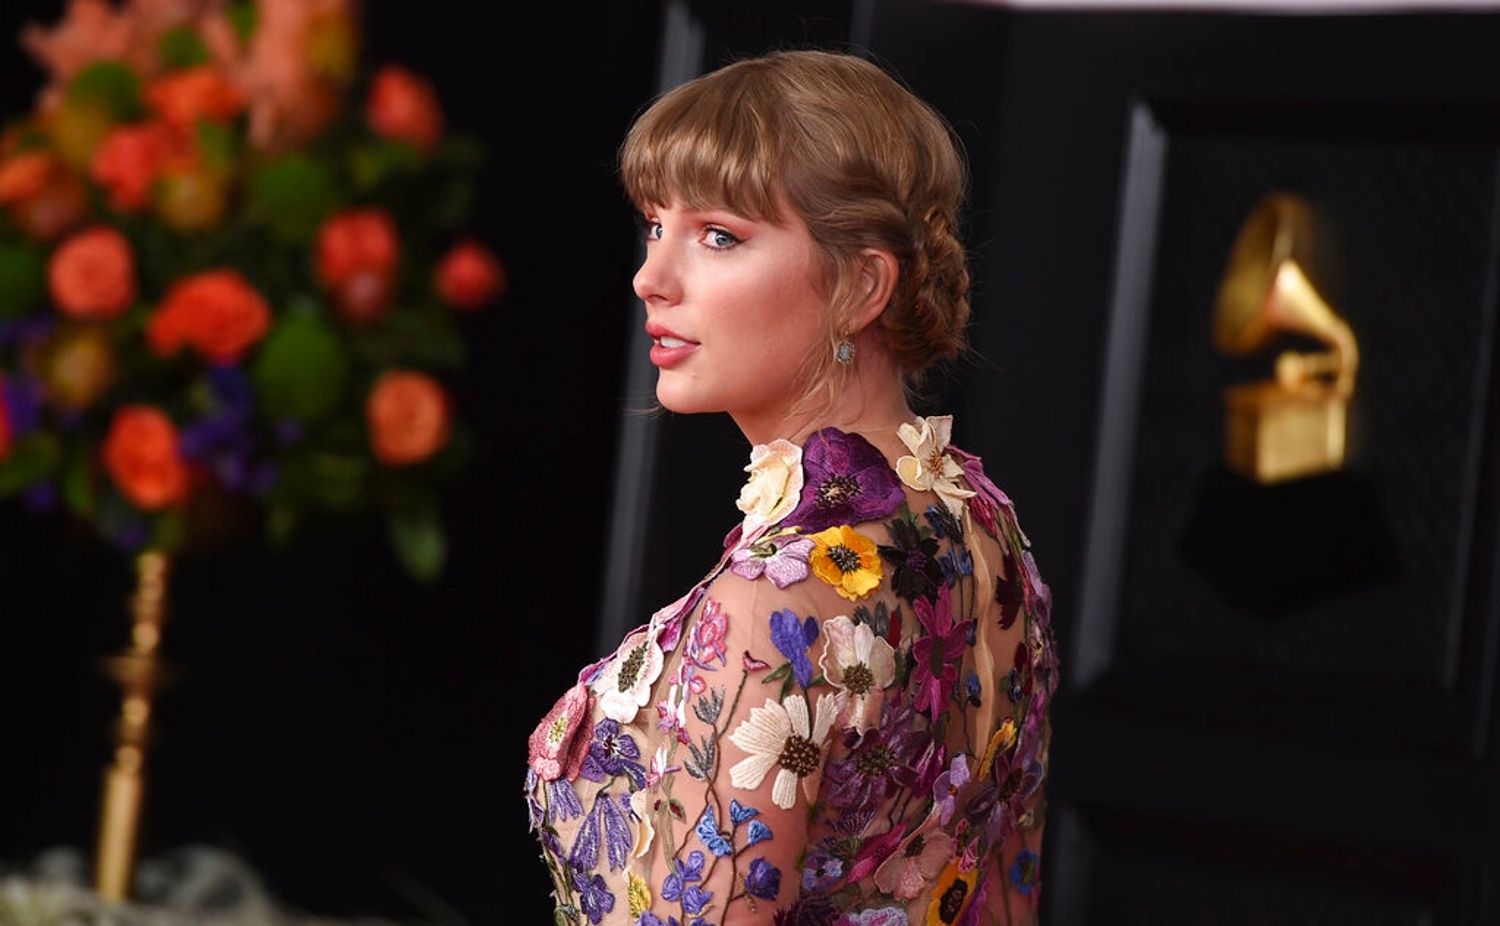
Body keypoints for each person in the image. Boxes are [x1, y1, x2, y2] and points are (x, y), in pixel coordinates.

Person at [525, 48, 1059, 926]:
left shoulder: (768, 608)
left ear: (862, 283)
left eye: (719, 236)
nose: (650, 278)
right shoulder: (989, 529)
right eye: (655, 225)